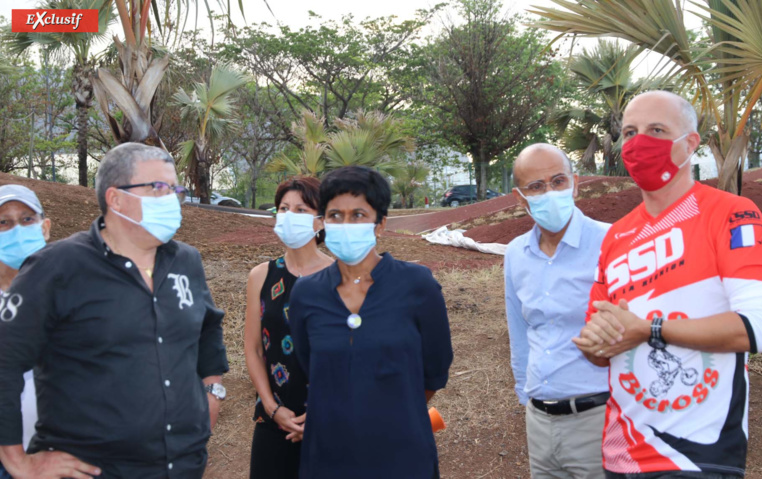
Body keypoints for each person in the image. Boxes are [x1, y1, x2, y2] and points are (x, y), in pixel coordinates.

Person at [575, 91, 762, 478]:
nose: (639, 142)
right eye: (630, 132)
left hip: (698, 456)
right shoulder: (616, 236)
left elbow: (756, 329)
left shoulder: (733, 214)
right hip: (621, 454)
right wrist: (594, 341)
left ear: (690, 144)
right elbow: (600, 347)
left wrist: (650, 329)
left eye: (656, 130)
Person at [0, 143, 229, 479]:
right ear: (116, 199)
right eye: (158, 188)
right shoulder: (57, 267)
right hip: (94, 469)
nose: (171, 199)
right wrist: (16, 460)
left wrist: (213, 391)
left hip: (181, 465)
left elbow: (207, 327)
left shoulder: (186, 260)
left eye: (174, 189)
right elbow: (5, 360)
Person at [288, 166, 453, 479]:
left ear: (381, 224)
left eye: (358, 215)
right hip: (328, 457)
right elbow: (311, 366)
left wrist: (389, 409)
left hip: (403, 454)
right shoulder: (306, 293)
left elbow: (435, 369)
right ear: (322, 222)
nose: (345, 225)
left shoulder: (417, 285)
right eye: (335, 215)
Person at [505, 144, 610, 479]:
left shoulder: (611, 242)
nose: (549, 193)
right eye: (536, 187)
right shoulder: (516, 254)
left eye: (558, 181)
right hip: (539, 422)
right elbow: (519, 329)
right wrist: (525, 395)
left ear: (575, 184)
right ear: (520, 198)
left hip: (599, 418)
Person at [245, 176, 333, 479]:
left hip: (329, 421)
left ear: (321, 221)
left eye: (301, 210)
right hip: (274, 421)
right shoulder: (261, 275)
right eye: (283, 208)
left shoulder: (340, 277)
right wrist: (272, 408)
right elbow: (254, 349)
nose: (289, 216)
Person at [0, 185, 52, 479]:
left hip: (65, 452)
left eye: (27, 219)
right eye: (3, 222)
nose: (16, 230)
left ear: (45, 228)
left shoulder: (73, 292)